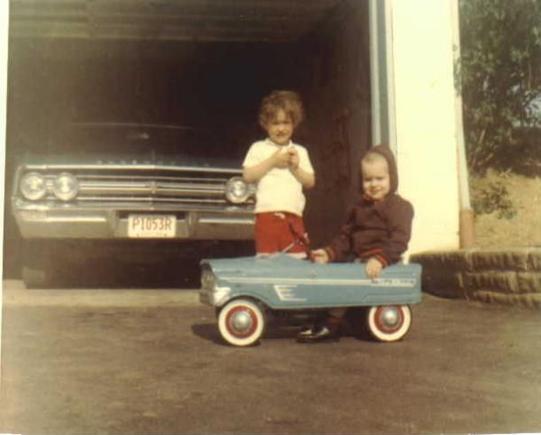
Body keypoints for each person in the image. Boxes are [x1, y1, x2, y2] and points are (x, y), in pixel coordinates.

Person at [297, 144, 414, 342]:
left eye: (380, 178)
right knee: (333, 272)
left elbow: (399, 240)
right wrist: (329, 253)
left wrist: (381, 259)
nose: (374, 184)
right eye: (368, 179)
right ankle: (324, 314)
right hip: (359, 260)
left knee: (346, 279)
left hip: (383, 262)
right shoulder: (358, 207)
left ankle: (331, 324)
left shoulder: (399, 207)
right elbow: (346, 238)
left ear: (391, 178)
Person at [243, 90, 315, 257]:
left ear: (294, 123)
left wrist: (295, 167)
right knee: (267, 263)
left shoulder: (300, 151)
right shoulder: (258, 148)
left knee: (296, 262)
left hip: (293, 218)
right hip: (267, 217)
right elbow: (247, 176)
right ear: (265, 124)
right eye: (275, 123)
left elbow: (310, 182)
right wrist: (272, 162)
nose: (281, 128)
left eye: (286, 122)